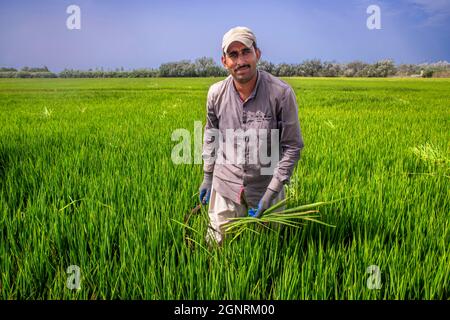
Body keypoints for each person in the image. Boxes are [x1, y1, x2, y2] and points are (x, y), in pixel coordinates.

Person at [199, 26, 304, 246]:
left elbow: (292, 146)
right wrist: (208, 177)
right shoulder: (216, 93)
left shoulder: (281, 93)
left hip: (267, 186)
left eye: (245, 52)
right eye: (233, 55)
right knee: (216, 247)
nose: (240, 61)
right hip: (225, 186)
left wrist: (270, 195)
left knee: (269, 250)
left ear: (257, 54)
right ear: (224, 61)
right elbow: (211, 135)